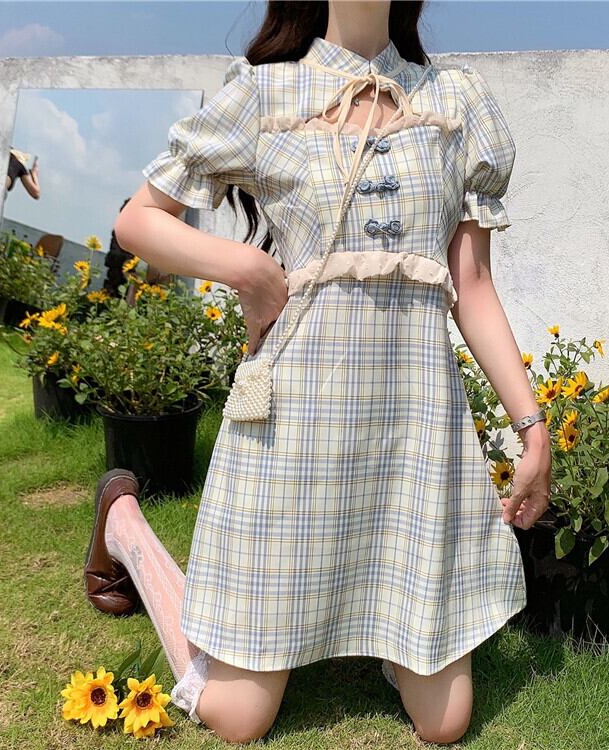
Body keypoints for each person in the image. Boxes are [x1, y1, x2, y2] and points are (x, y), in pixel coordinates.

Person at [84, 1, 552, 744]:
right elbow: (138, 219)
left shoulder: (455, 101)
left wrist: (532, 427)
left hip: (411, 431)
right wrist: (245, 267)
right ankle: (126, 527)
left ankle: (385, 623)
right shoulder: (264, 92)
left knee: (446, 723)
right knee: (237, 718)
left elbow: (473, 285)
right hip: (293, 429)